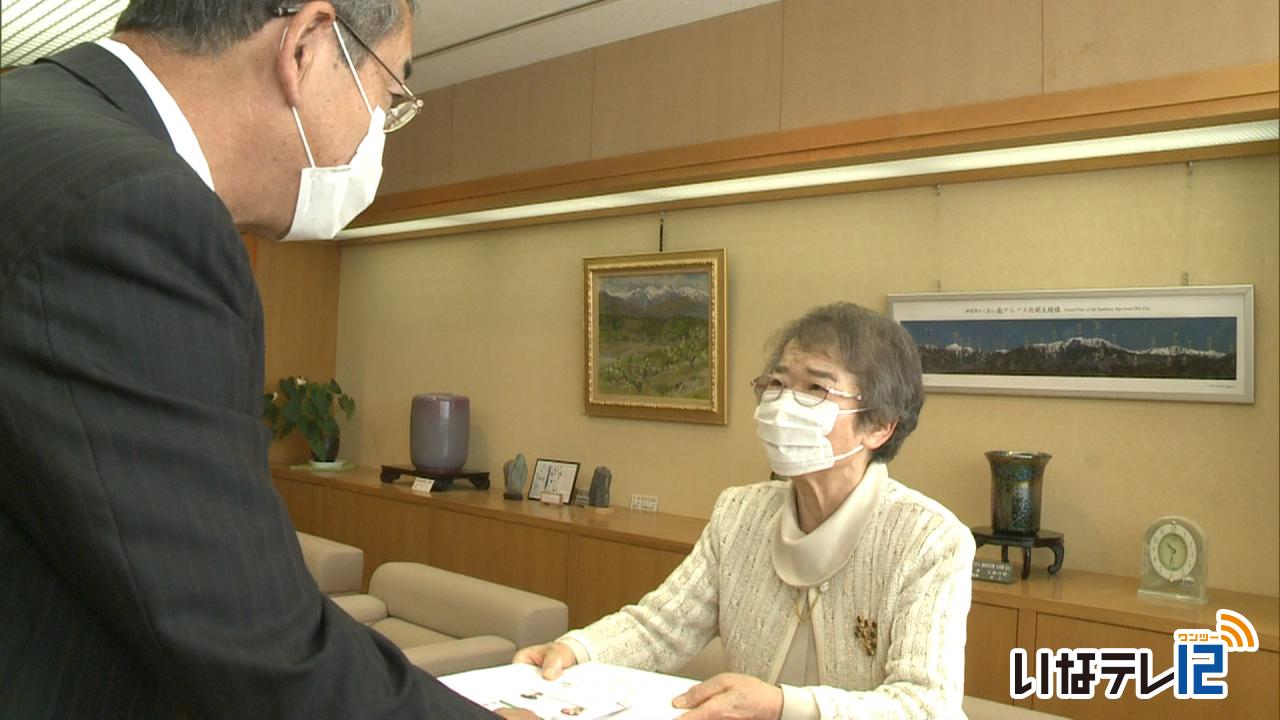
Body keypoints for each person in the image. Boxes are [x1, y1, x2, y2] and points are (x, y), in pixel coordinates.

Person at [0, 1, 527, 717]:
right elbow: (252, 640)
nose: (380, 136)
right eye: (388, 97)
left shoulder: (34, 128)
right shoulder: (137, 208)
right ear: (307, 45)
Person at [516, 302, 976, 719]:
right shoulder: (740, 513)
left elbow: (925, 706)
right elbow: (663, 625)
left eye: (815, 387)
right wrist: (576, 649)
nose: (781, 404)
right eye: (776, 384)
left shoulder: (928, 540)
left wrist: (782, 707)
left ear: (879, 425)